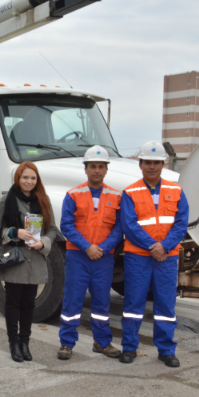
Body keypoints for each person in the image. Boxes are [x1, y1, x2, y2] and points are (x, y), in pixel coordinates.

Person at [119, 141, 189, 367]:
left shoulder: (176, 190)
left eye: (156, 162)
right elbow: (129, 225)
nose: (152, 166)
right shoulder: (130, 192)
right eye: (147, 162)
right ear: (140, 164)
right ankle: (129, 347)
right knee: (133, 303)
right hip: (138, 257)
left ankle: (166, 350)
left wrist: (165, 246)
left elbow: (181, 223)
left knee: (166, 306)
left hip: (166, 258)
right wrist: (154, 246)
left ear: (163, 164)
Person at [57, 146, 123, 361]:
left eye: (101, 166)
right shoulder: (73, 195)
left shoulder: (116, 196)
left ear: (106, 170)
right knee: (72, 301)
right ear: (85, 169)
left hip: (103, 258)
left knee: (102, 303)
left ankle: (102, 342)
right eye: (92, 166)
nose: (97, 170)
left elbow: (119, 228)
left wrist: (102, 248)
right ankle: (67, 343)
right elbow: (66, 226)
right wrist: (87, 247)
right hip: (78, 257)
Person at [0, 161, 59, 363]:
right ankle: (14, 344)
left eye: (33, 178)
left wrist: (43, 243)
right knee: (13, 303)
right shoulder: (7, 200)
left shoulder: (44, 200)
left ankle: (25, 343)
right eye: (25, 177)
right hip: (15, 259)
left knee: (29, 304)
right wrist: (15, 232)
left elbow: (52, 229)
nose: (29, 181)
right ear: (18, 178)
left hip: (35, 259)